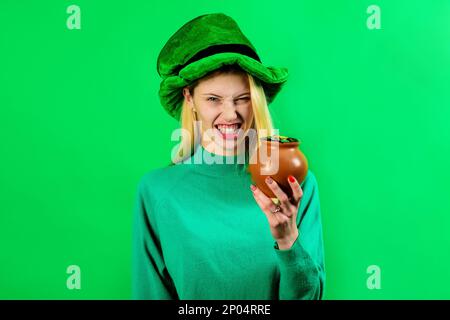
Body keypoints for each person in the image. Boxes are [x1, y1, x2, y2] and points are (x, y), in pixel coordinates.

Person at [132, 13, 325, 300]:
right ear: (189, 98)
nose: (231, 114)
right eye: (213, 99)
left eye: (242, 98)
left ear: (256, 99)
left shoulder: (294, 185)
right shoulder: (156, 192)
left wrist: (288, 240)